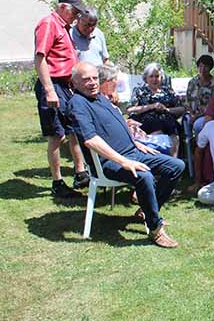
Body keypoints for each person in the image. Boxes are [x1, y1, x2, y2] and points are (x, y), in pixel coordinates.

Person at [68, 62, 185, 248]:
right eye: (86, 79)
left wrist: (135, 143)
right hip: (108, 163)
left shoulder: (99, 97)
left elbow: (116, 123)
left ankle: (147, 211)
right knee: (144, 176)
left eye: (94, 78)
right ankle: (155, 228)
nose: (92, 83)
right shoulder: (78, 103)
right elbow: (90, 140)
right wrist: (123, 161)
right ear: (74, 82)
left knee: (176, 166)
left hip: (132, 152)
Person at [33, 0, 89, 198]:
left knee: (73, 128)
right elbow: (40, 58)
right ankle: (57, 182)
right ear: (63, 7)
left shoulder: (64, 28)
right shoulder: (48, 24)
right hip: (54, 85)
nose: (76, 17)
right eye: (75, 12)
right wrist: (49, 90)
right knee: (57, 135)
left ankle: (80, 172)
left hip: (66, 86)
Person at [126, 63, 186, 158]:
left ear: (161, 77)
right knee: (158, 126)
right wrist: (151, 106)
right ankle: (157, 160)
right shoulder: (139, 91)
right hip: (146, 123)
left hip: (168, 123)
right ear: (146, 78)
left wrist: (167, 109)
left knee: (173, 132)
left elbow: (182, 108)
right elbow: (130, 110)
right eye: (151, 76)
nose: (154, 79)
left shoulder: (168, 91)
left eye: (157, 76)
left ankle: (173, 161)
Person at [185, 54, 214, 135]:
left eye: (205, 67)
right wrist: (191, 114)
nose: (202, 69)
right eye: (200, 66)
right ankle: (189, 145)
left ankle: (200, 144)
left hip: (207, 116)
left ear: (210, 68)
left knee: (198, 125)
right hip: (192, 113)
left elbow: (213, 106)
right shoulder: (192, 82)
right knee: (184, 122)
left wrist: (196, 116)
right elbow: (187, 101)